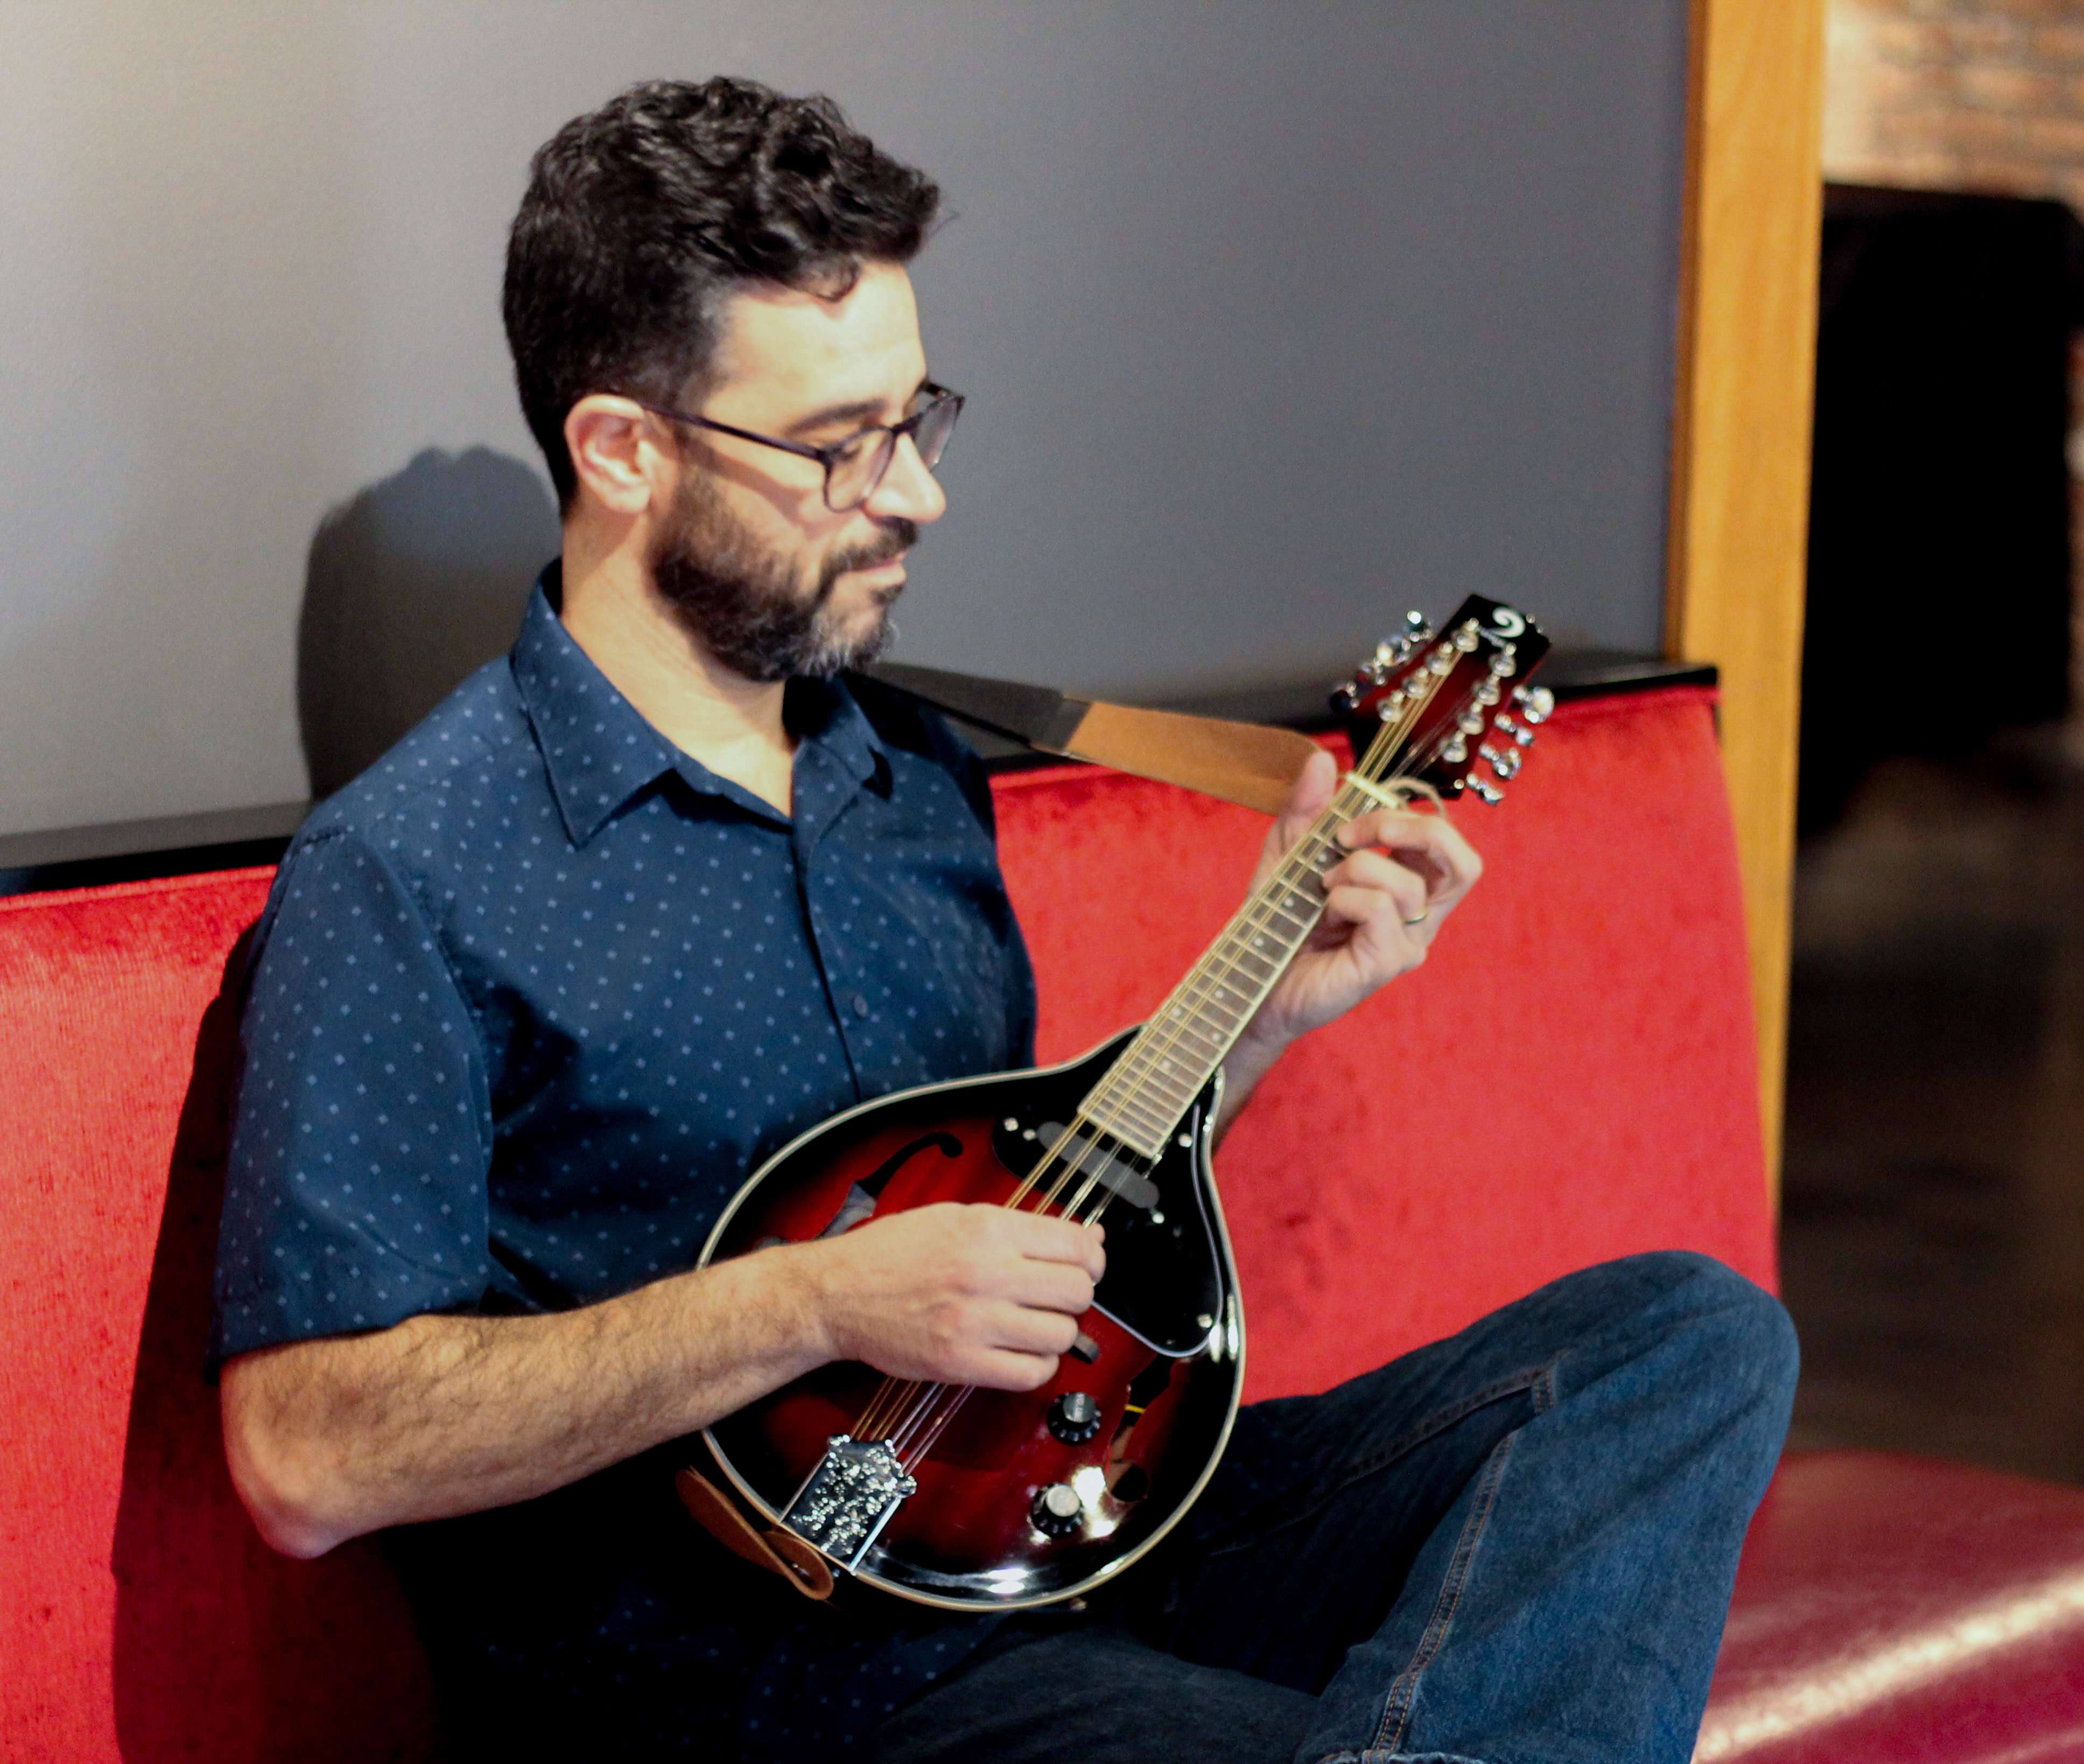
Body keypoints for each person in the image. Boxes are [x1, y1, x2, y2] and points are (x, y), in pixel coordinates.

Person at [214, 76, 1795, 1763]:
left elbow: (1029, 1226)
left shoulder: (911, 773)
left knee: (1686, 1342)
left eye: (919, 421)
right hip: (760, 1682)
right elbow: (306, 1453)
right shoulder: (417, 867)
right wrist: (811, 1303)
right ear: (623, 451)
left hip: (1072, 1539)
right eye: (839, 448)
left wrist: (1264, 1004)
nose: (915, 498)